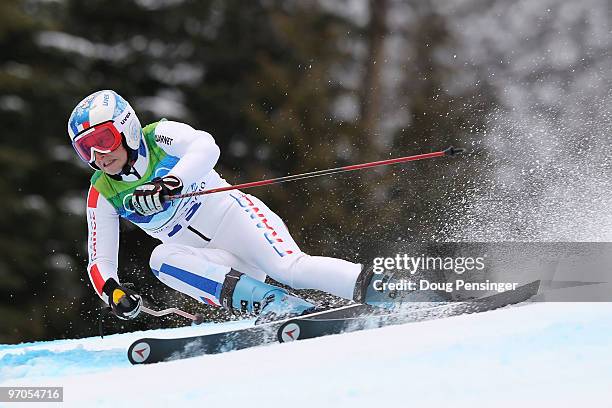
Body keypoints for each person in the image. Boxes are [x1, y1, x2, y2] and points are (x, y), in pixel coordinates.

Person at [68, 90, 382, 323]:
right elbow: (100, 260)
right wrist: (113, 292)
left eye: (103, 140)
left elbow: (205, 146)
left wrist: (170, 182)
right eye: (85, 149)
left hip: (234, 219)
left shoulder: (158, 137)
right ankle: (278, 305)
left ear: (127, 129)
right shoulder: (103, 192)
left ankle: (383, 288)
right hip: (218, 263)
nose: (98, 155)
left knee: (289, 268)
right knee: (160, 259)